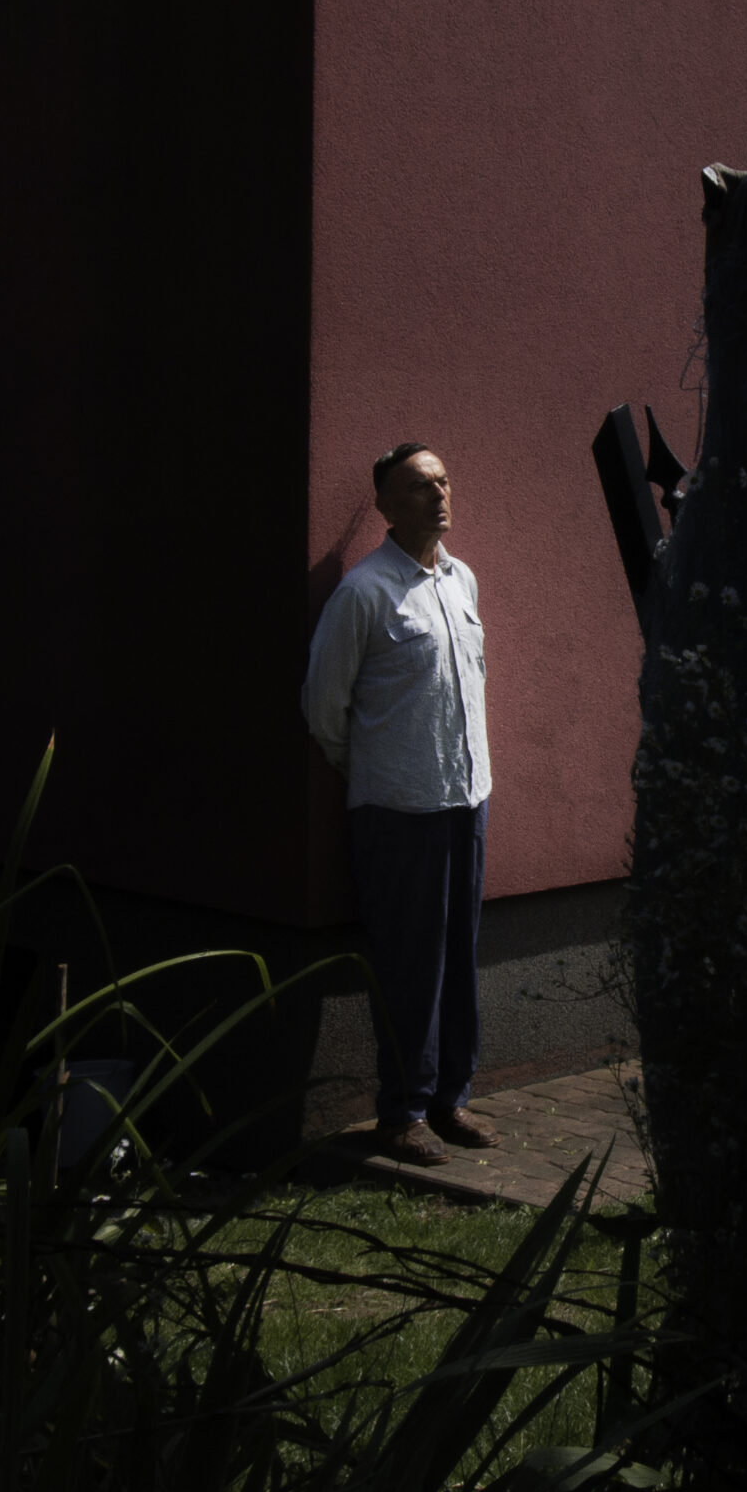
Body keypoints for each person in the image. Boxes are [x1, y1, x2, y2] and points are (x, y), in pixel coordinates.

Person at [301, 443, 501, 1167]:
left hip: (466, 801)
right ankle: (402, 1113)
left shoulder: (460, 579)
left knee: (459, 958)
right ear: (386, 505)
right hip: (398, 810)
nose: (438, 495)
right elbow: (324, 706)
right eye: (419, 487)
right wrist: (381, 772)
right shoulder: (365, 592)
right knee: (409, 963)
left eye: (443, 481)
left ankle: (450, 1099)